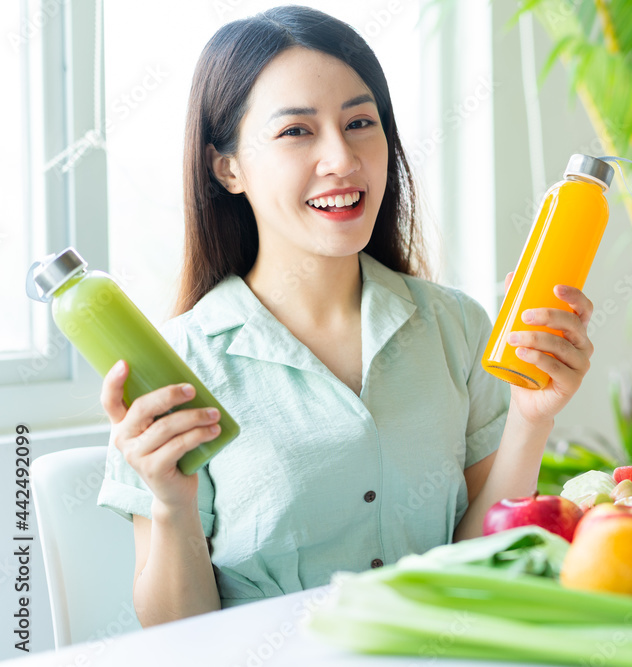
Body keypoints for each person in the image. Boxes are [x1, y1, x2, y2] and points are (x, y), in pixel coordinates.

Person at [96, 5, 595, 627]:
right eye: (296, 131)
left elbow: (480, 559)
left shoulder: (457, 328)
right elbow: (175, 636)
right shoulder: (177, 367)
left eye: (360, 122)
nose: (342, 158)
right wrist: (171, 505)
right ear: (228, 168)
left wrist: (529, 419)